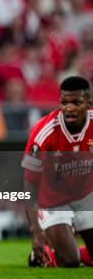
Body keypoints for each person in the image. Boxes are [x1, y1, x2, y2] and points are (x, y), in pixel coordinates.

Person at [21, 76, 93, 267]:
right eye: (64, 102)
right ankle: (46, 255)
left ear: (89, 103)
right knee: (70, 261)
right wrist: (35, 232)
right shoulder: (44, 132)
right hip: (54, 201)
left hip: (86, 196)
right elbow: (29, 182)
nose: (69, 108)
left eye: (76, 102)